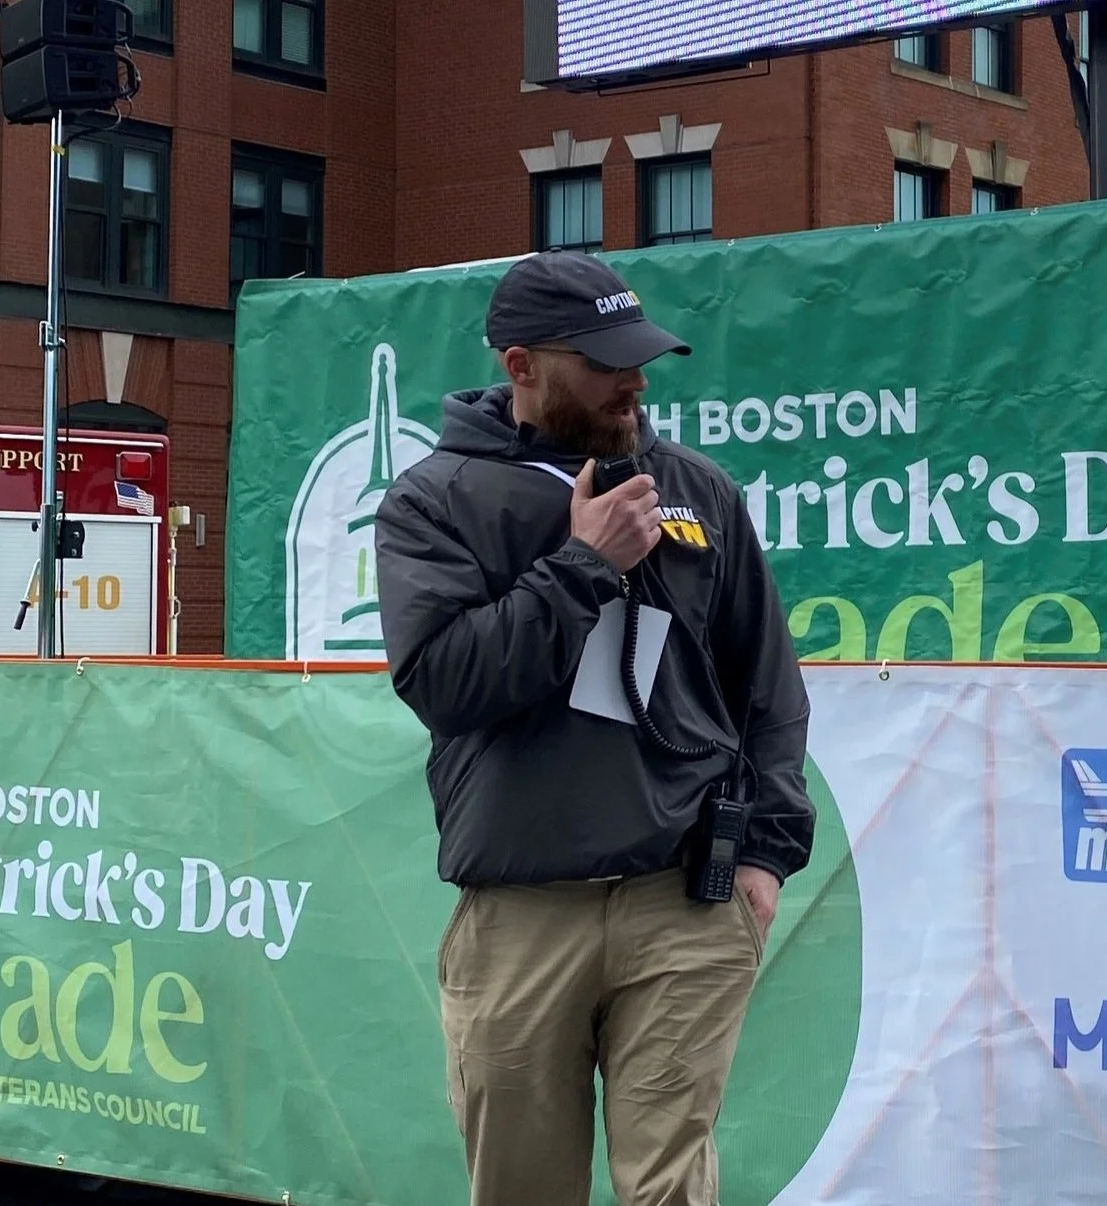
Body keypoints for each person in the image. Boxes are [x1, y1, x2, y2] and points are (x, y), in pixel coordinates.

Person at [372, 250, 814, 1206]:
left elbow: (767, 691)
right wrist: (583, 563)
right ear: (521, 363)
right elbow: (446, 682)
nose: (637, 380)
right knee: (525, 1190)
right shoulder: (432, 502)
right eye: (607, 359)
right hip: (524, 910)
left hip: (685, 903)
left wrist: (767, 856)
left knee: (671, 1189)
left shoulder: (700, 492)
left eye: (642, 355)